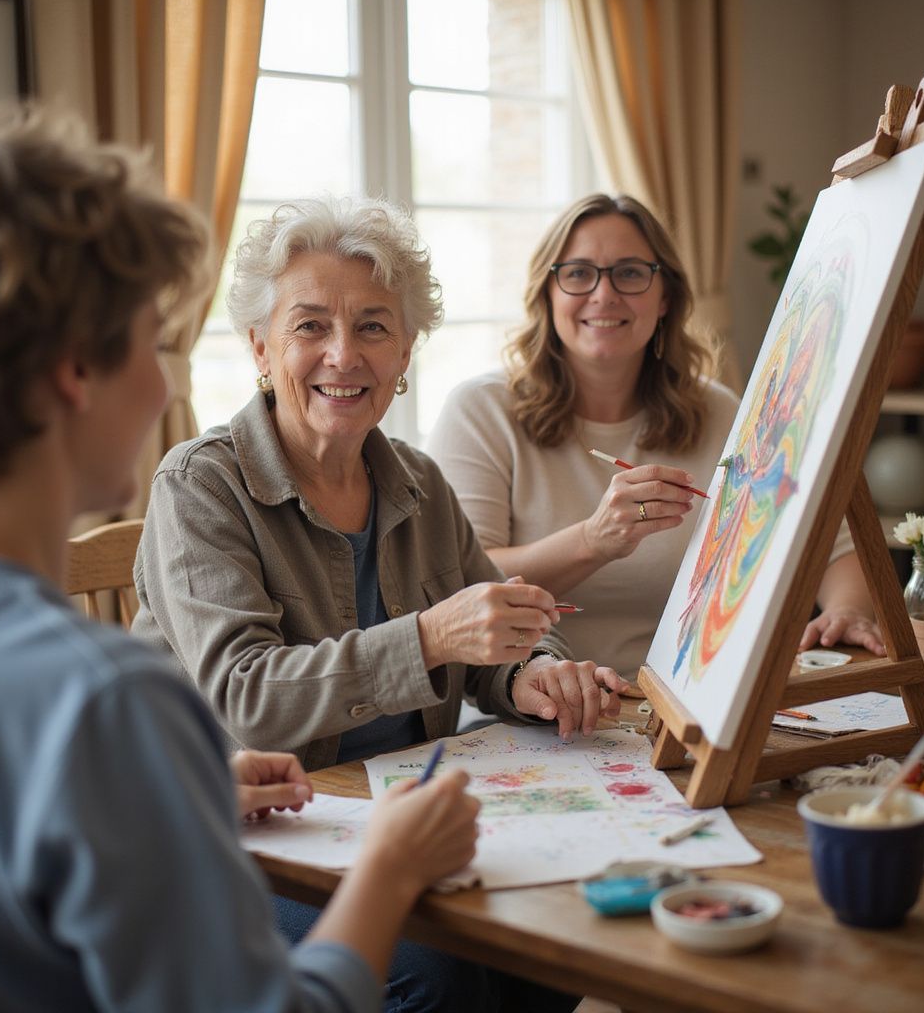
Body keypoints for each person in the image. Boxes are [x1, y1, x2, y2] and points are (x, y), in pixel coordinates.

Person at [0, 105, 481, 1013]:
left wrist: (167, 800)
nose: (164, 384)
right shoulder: (101, 703)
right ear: (77, 370)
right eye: (153, 342)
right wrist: (386, 870)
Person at [131, 195, 624, 1011]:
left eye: (372, 327)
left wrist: (529, 676)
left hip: (397, 811)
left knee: (557, 932)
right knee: (442, 972)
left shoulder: (418, 482)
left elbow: (484, 644)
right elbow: (249, 700)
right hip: (247, 835)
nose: (342, 355)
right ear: (260, 346)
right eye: (310, 326)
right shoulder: (201, 483)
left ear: (404, 353)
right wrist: (431, 636)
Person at [427, 193, 884, 679]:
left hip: (683, 703)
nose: (604, 294)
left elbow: (827, 538)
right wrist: (593, 541)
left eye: (629, 273)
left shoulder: (717, 410)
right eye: (578, 273)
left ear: (665, 296)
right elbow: (462, 587)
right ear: (548, 293)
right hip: (528, 705)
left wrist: (848, 611)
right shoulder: (480, 411)